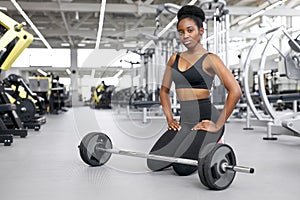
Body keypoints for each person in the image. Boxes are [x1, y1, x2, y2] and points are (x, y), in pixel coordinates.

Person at [147, 5, 242, 175]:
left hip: (206, 121)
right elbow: (164, 91)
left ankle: (214, 139)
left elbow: (235, 90)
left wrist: (217, 124)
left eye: (190, 30)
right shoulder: (174, 59)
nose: (186, 36)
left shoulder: (210, 59)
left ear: (201, 31)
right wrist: (170, 119)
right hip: (185, 122)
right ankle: (189, 141)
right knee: (154, 162)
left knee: (181, 168)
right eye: (181, 32)